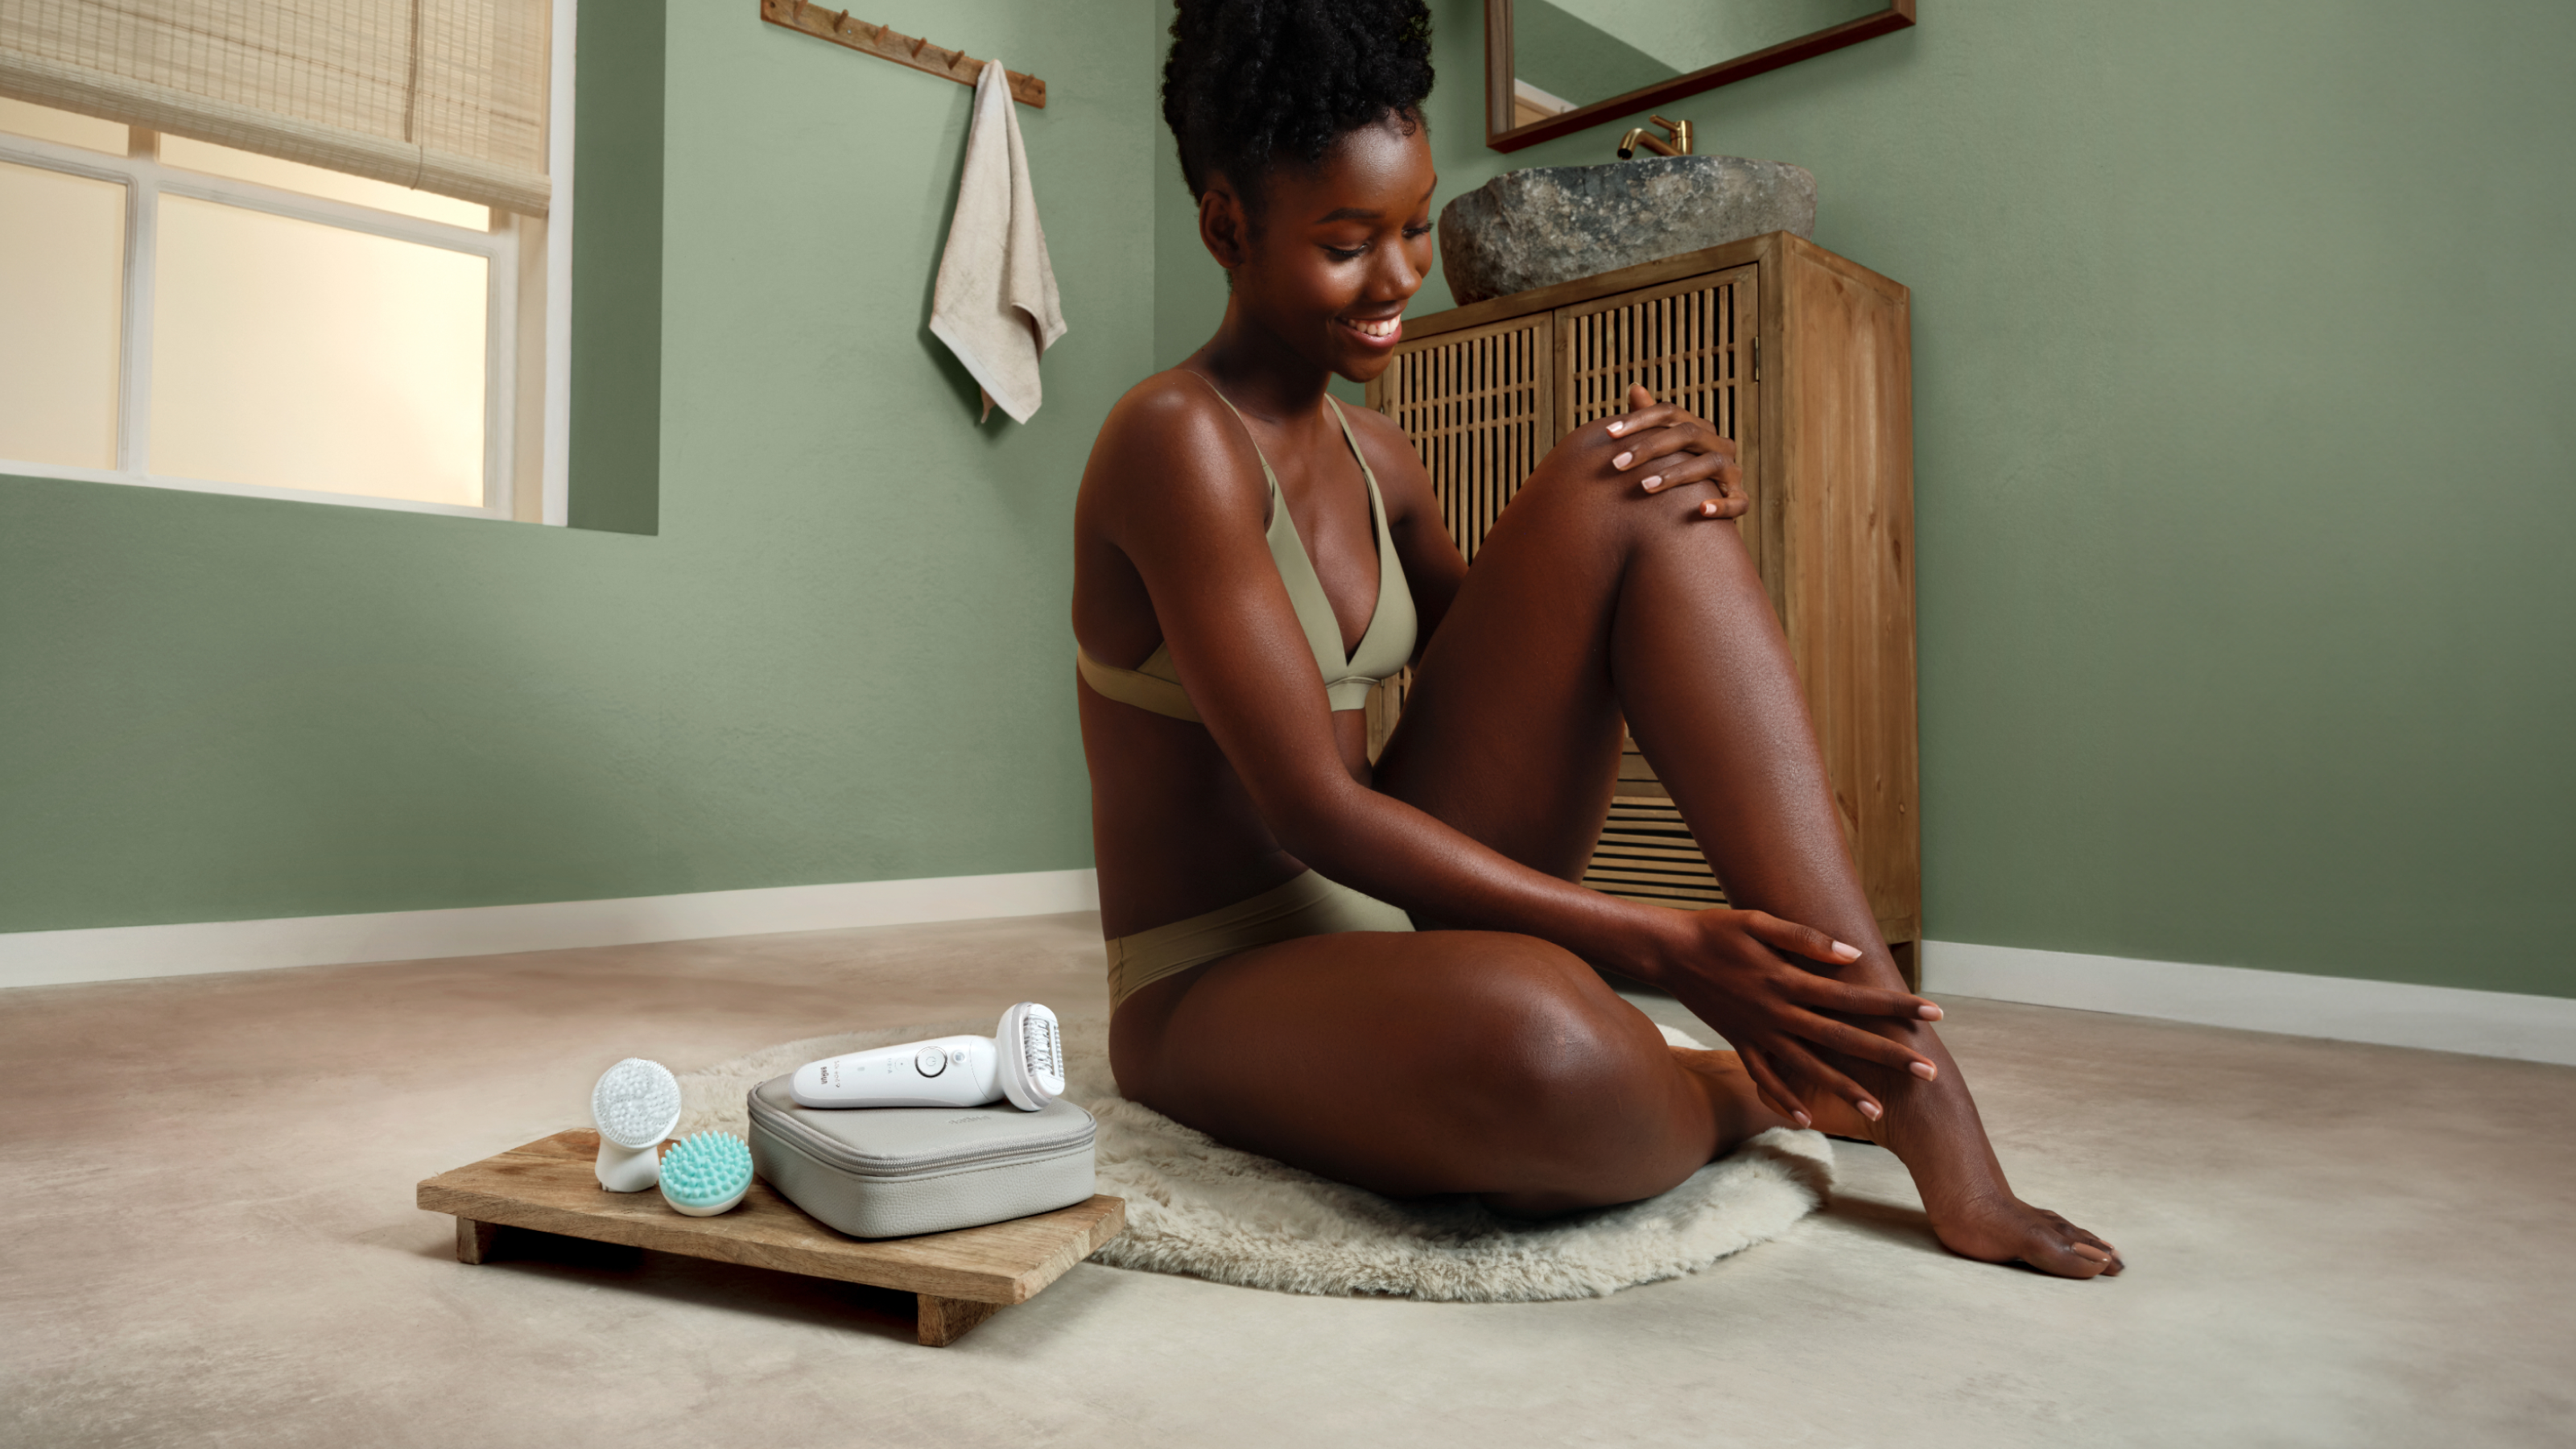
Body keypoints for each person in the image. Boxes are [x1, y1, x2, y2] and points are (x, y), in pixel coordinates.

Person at [1071, 0, 2120, 1277]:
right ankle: (1748, 1085)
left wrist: (1686, 490)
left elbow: (1539, 671)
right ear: (1229, 226)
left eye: (1413, 227)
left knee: (1632, 481)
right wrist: (1652, 939)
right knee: (1555, 1054)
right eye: (1347, 244)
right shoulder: (1172, 440)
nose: (1401, 278)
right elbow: (1311, 812)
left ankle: (1910, 1083)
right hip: (1217, 980)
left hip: (1398, 907)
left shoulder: (1379, 456)